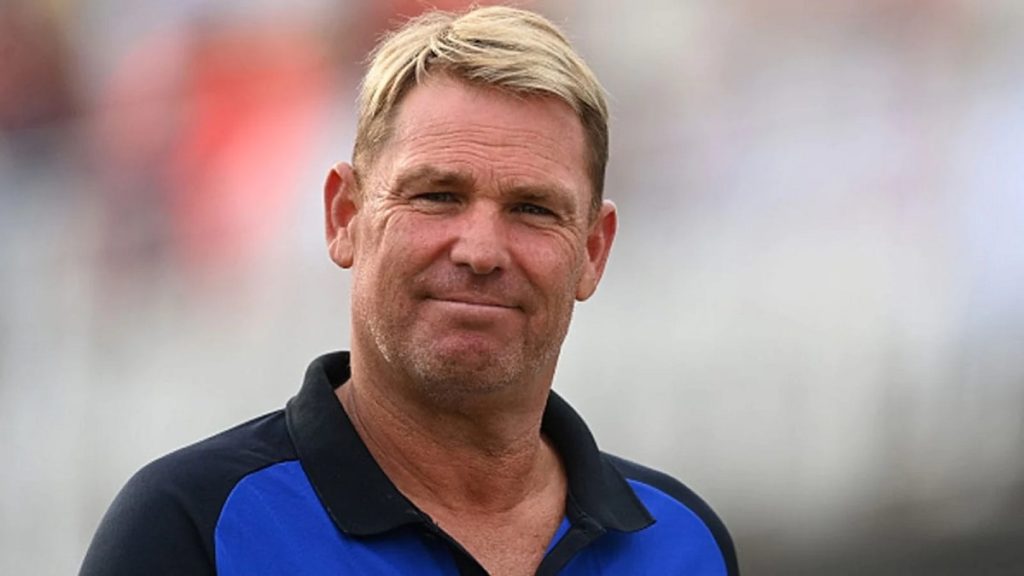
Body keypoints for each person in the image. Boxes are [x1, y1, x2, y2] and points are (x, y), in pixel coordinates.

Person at [80, 6, 738, 575]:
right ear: (344, 216)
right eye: (437, 196)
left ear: (593, 251)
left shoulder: (684, 545)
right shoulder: (195, 526)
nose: (481, 251)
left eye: (533, 209)